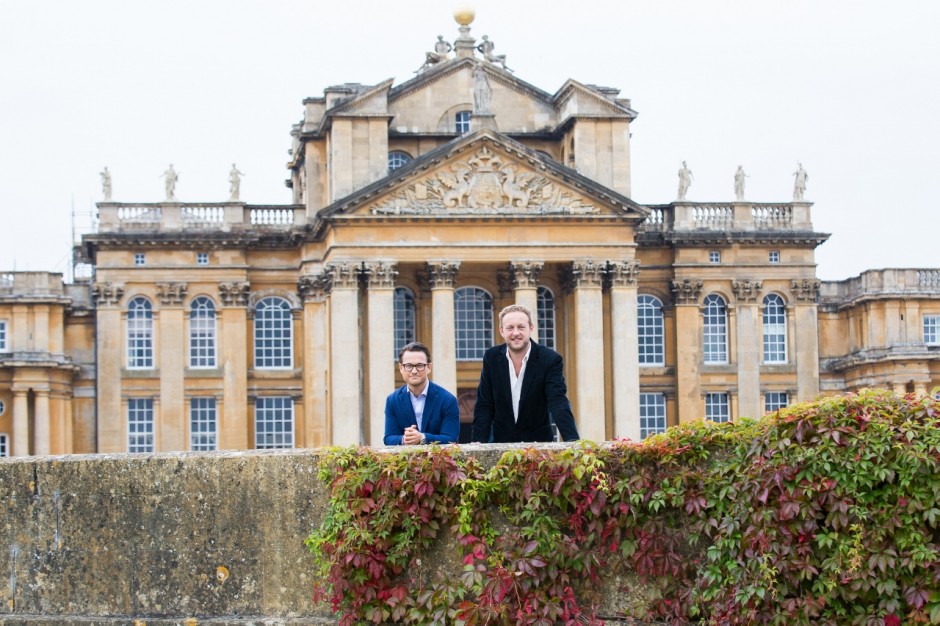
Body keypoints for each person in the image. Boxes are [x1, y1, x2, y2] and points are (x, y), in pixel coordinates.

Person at [472, 304, 579, 443]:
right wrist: (477, 444)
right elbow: (484, 404)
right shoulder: (491, 358)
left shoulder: (550, 359)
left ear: (531, 328)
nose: (516, 333)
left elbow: (557, 401)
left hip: (539, 447)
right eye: (510, 328)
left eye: (521, 327)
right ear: (501, 331)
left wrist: (572, 440)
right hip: (501, 446)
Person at [383, 341, 460, 445]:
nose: (414, 371)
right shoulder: (392, 400)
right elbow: (388, 438)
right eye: (408, 366)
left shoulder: (448, 400)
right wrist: (405, 439)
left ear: (429, 367)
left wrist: (422, 438)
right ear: (401, 368)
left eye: (420, 365)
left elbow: (451, 438)